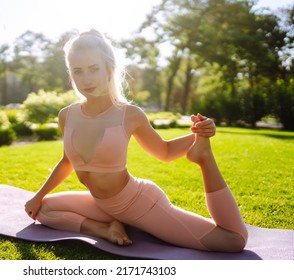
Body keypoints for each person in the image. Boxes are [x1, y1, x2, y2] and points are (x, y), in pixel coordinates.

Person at [25, 29, 248, 252]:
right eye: (78, 71)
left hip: (138, 204)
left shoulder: (128, 114)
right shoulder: (67, 115)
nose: (86, 79)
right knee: (43, 210)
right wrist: (38, 196)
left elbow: (166, 152)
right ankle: (106, 229)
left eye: (93, 69)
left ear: (109, 69)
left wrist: (199, 134)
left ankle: (204, 158)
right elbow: (67, 161)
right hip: (103, 206)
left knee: (233, 240)